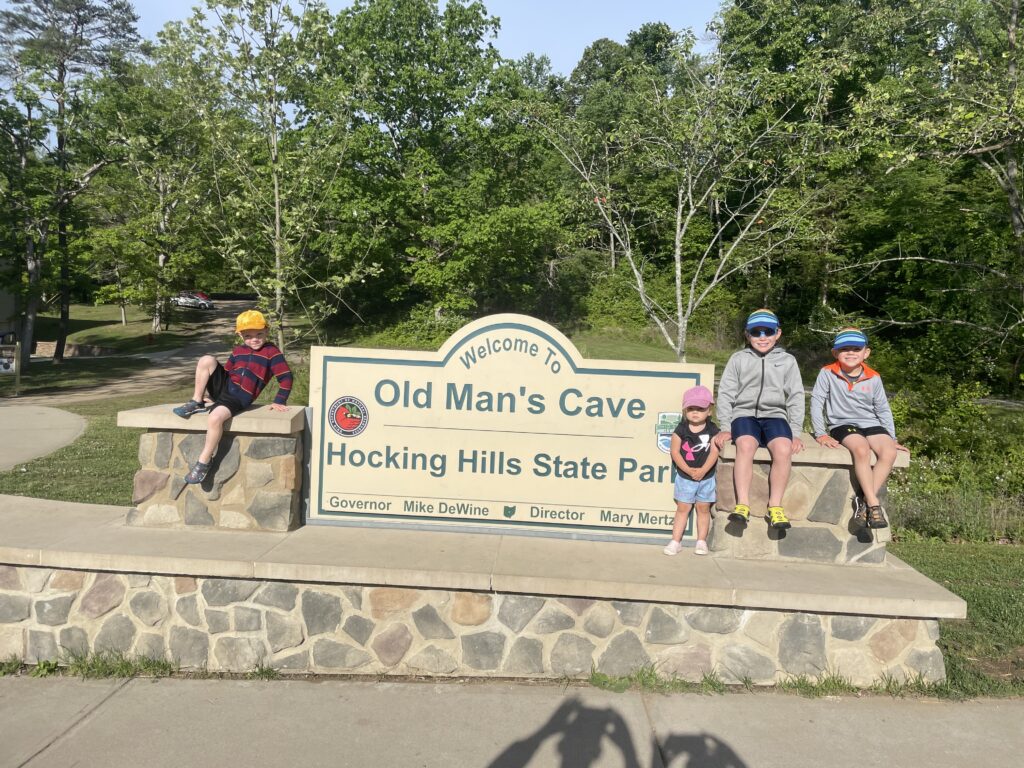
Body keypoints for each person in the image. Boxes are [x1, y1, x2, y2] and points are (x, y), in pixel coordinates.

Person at [172, 309, 293, 484]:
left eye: (259, 334)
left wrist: (279, 400)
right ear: (241, 335)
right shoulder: (238, 351)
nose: (254, 339)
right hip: (226, 388)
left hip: (240, 397)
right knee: (206, 359)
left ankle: (204, 461)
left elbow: (286, 377)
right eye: (248, 336)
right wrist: (213, 396)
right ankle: (196, 400)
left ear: (267, 330)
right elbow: (227, 372)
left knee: (214, 418)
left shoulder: (271, 353)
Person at [712, 309, 805, 530]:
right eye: (756, 332)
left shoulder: (787, 361)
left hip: (775, 415)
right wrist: (725, 426)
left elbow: (795, 395)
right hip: (744, 414)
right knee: (745, 444)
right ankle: (742, 505)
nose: (762, 337)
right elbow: (725, 393)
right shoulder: (738, 359)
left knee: (783, 448)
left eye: (768, 332)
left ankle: (775, 507)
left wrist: (795, 431)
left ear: (777, 333)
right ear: (747, 335)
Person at [809, 327, 908, 529]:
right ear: (835, 353)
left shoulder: (874, 377)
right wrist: (820, 433)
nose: (851, 353)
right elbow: (817, 402)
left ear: (866, 352)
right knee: (861, 449)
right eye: (845, 349)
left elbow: (883, 409)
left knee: (889, 452)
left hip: (871, 423)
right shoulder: (827, 373)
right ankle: (873, 503)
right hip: (842, 424)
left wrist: (893, 437)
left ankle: (861, 500)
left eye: (856, 348)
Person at [664, 385, 720, 556]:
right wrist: (688, 470)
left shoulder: (713, 430)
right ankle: (676, 541)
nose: (695, 412)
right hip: (685, 477)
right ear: (685, 410)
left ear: (709, 411)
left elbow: (714, 451)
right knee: (683, 508)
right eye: (691, 408)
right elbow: (675, 452)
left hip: (707, 477)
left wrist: (703, 470)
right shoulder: (681, 430)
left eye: (700, 409)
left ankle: (701, 541)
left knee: (703, 509)